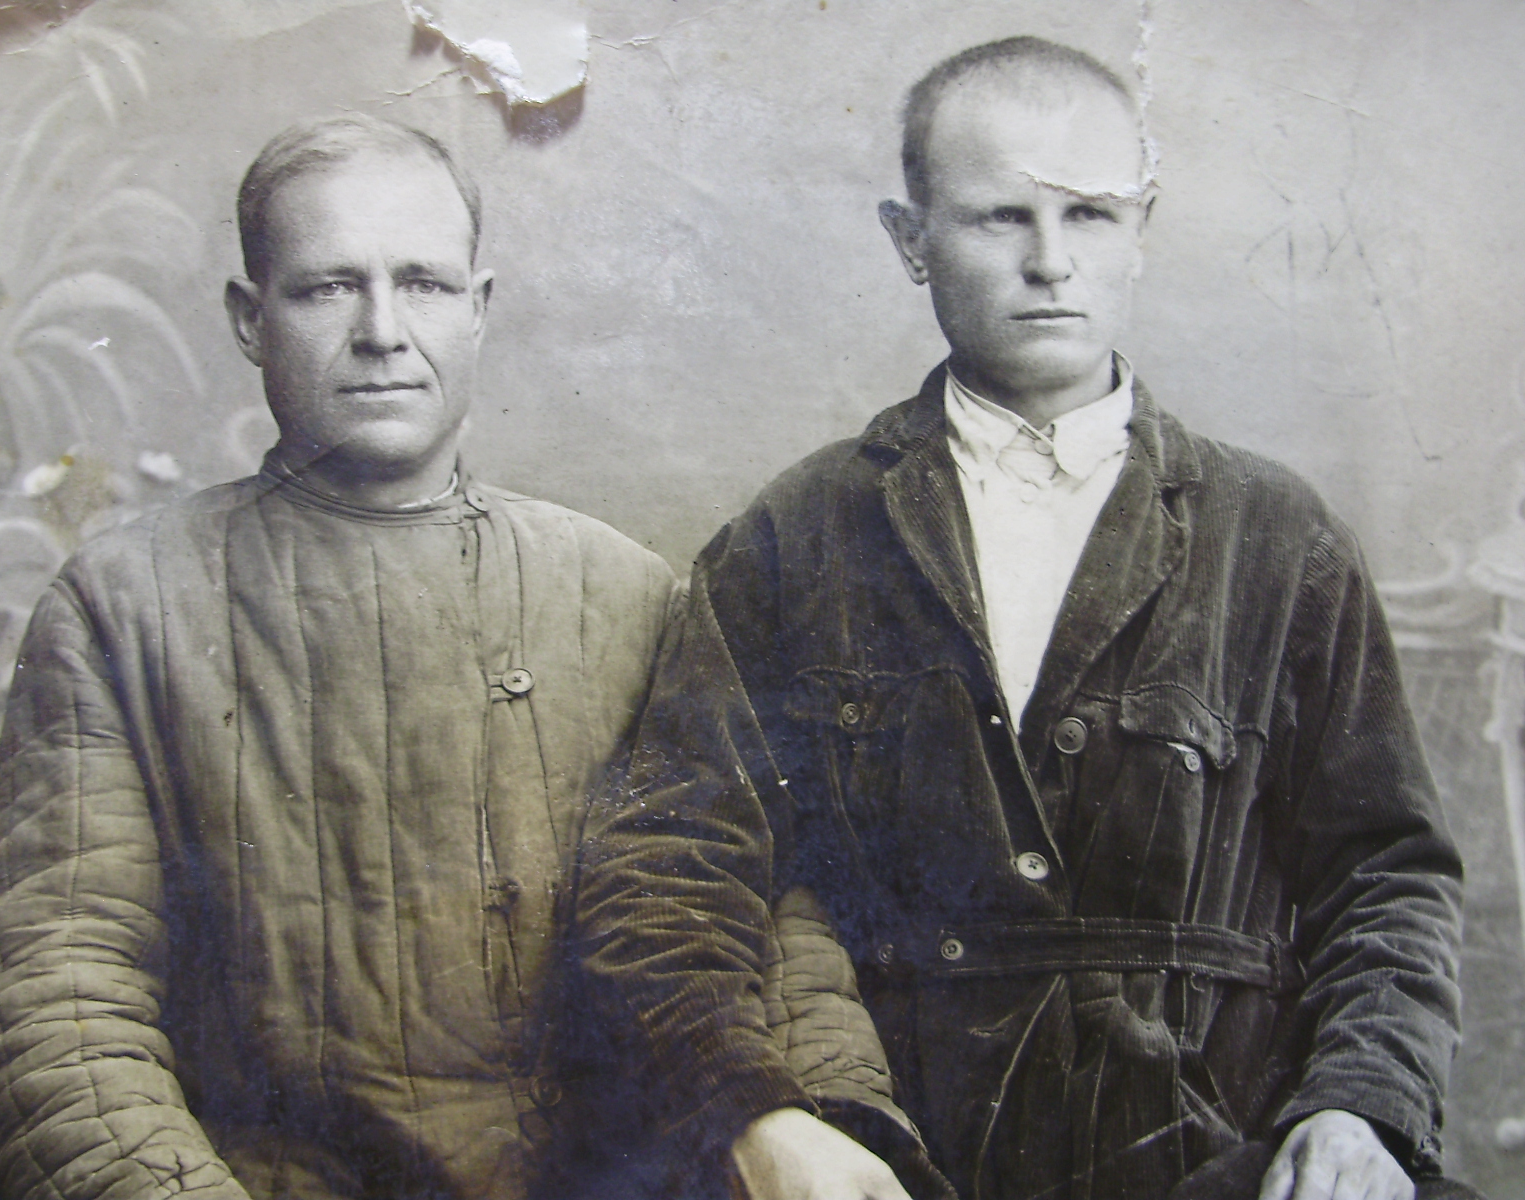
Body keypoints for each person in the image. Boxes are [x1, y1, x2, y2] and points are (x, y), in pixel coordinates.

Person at [574, 37, 1477, 1200]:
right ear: (910, 241)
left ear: (1142, 228)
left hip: (1226, 1156)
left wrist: (1359, 1107)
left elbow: (1387, 876)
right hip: (896, 1160)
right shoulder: (801, 533)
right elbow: (669, 868)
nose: (1051, 262)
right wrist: (757, 1115)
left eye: (1089, 214)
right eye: (1001, 217)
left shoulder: (1277, 537)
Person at [0, 115, 683, 1200]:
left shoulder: (625, 594)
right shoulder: (119, 607)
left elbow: (735, 945)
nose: (382, 331)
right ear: (250, 321)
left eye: (424, 284)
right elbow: (58, 1002)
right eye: (328, 287)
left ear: (479, 309)